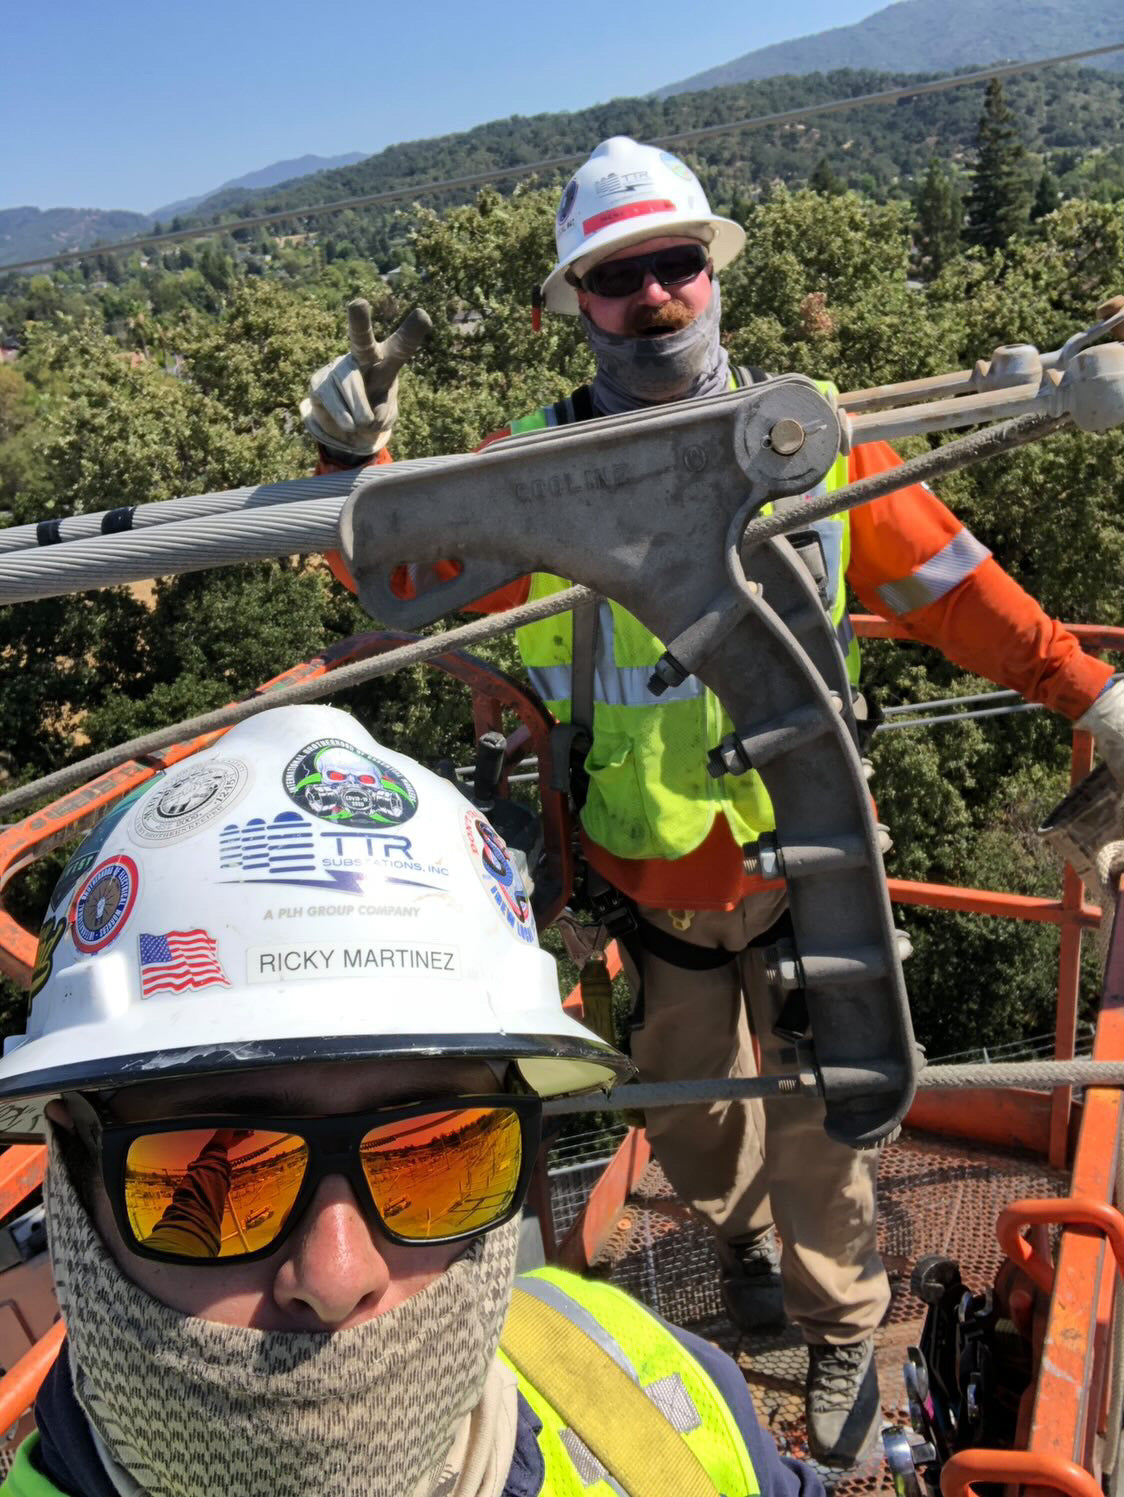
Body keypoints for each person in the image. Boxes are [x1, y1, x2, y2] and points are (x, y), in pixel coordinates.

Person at [302, 150, 1124, 1464]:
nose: (656, 297)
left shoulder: (811, 451)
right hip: (652, 879)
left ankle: (842, 1321)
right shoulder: (535, 480)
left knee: (828, 1114)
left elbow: (954, 585)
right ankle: (738, 1243)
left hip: (808, 867)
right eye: (620, 278)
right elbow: (402, 570)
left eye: (675, 265)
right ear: (582, 302)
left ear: (713, 278)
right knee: (687, 1113)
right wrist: (355, 450)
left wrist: (1085, 688)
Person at [0, 703, 827, 1497]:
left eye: (444, 1154)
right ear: (73, 1175)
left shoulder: (647, 1380)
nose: (336, 1277)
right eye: (214, 1181)